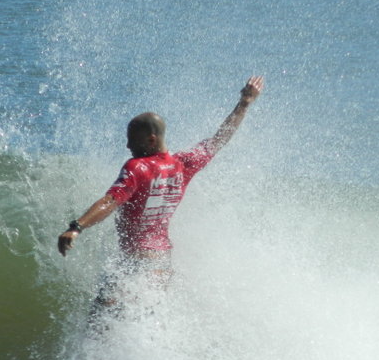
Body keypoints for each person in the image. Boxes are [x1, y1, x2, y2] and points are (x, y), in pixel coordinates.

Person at [57, 75, 264, 313]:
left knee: (99, 319)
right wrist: (244, 103)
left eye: (132, 141)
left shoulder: (137, 167)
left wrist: (77, 227)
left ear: (151, 139)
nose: (128, 146)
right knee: (147, 320)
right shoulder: (184, 164)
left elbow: (111, 200)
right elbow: (219, 140)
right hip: (161, 261)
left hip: (134, 259)